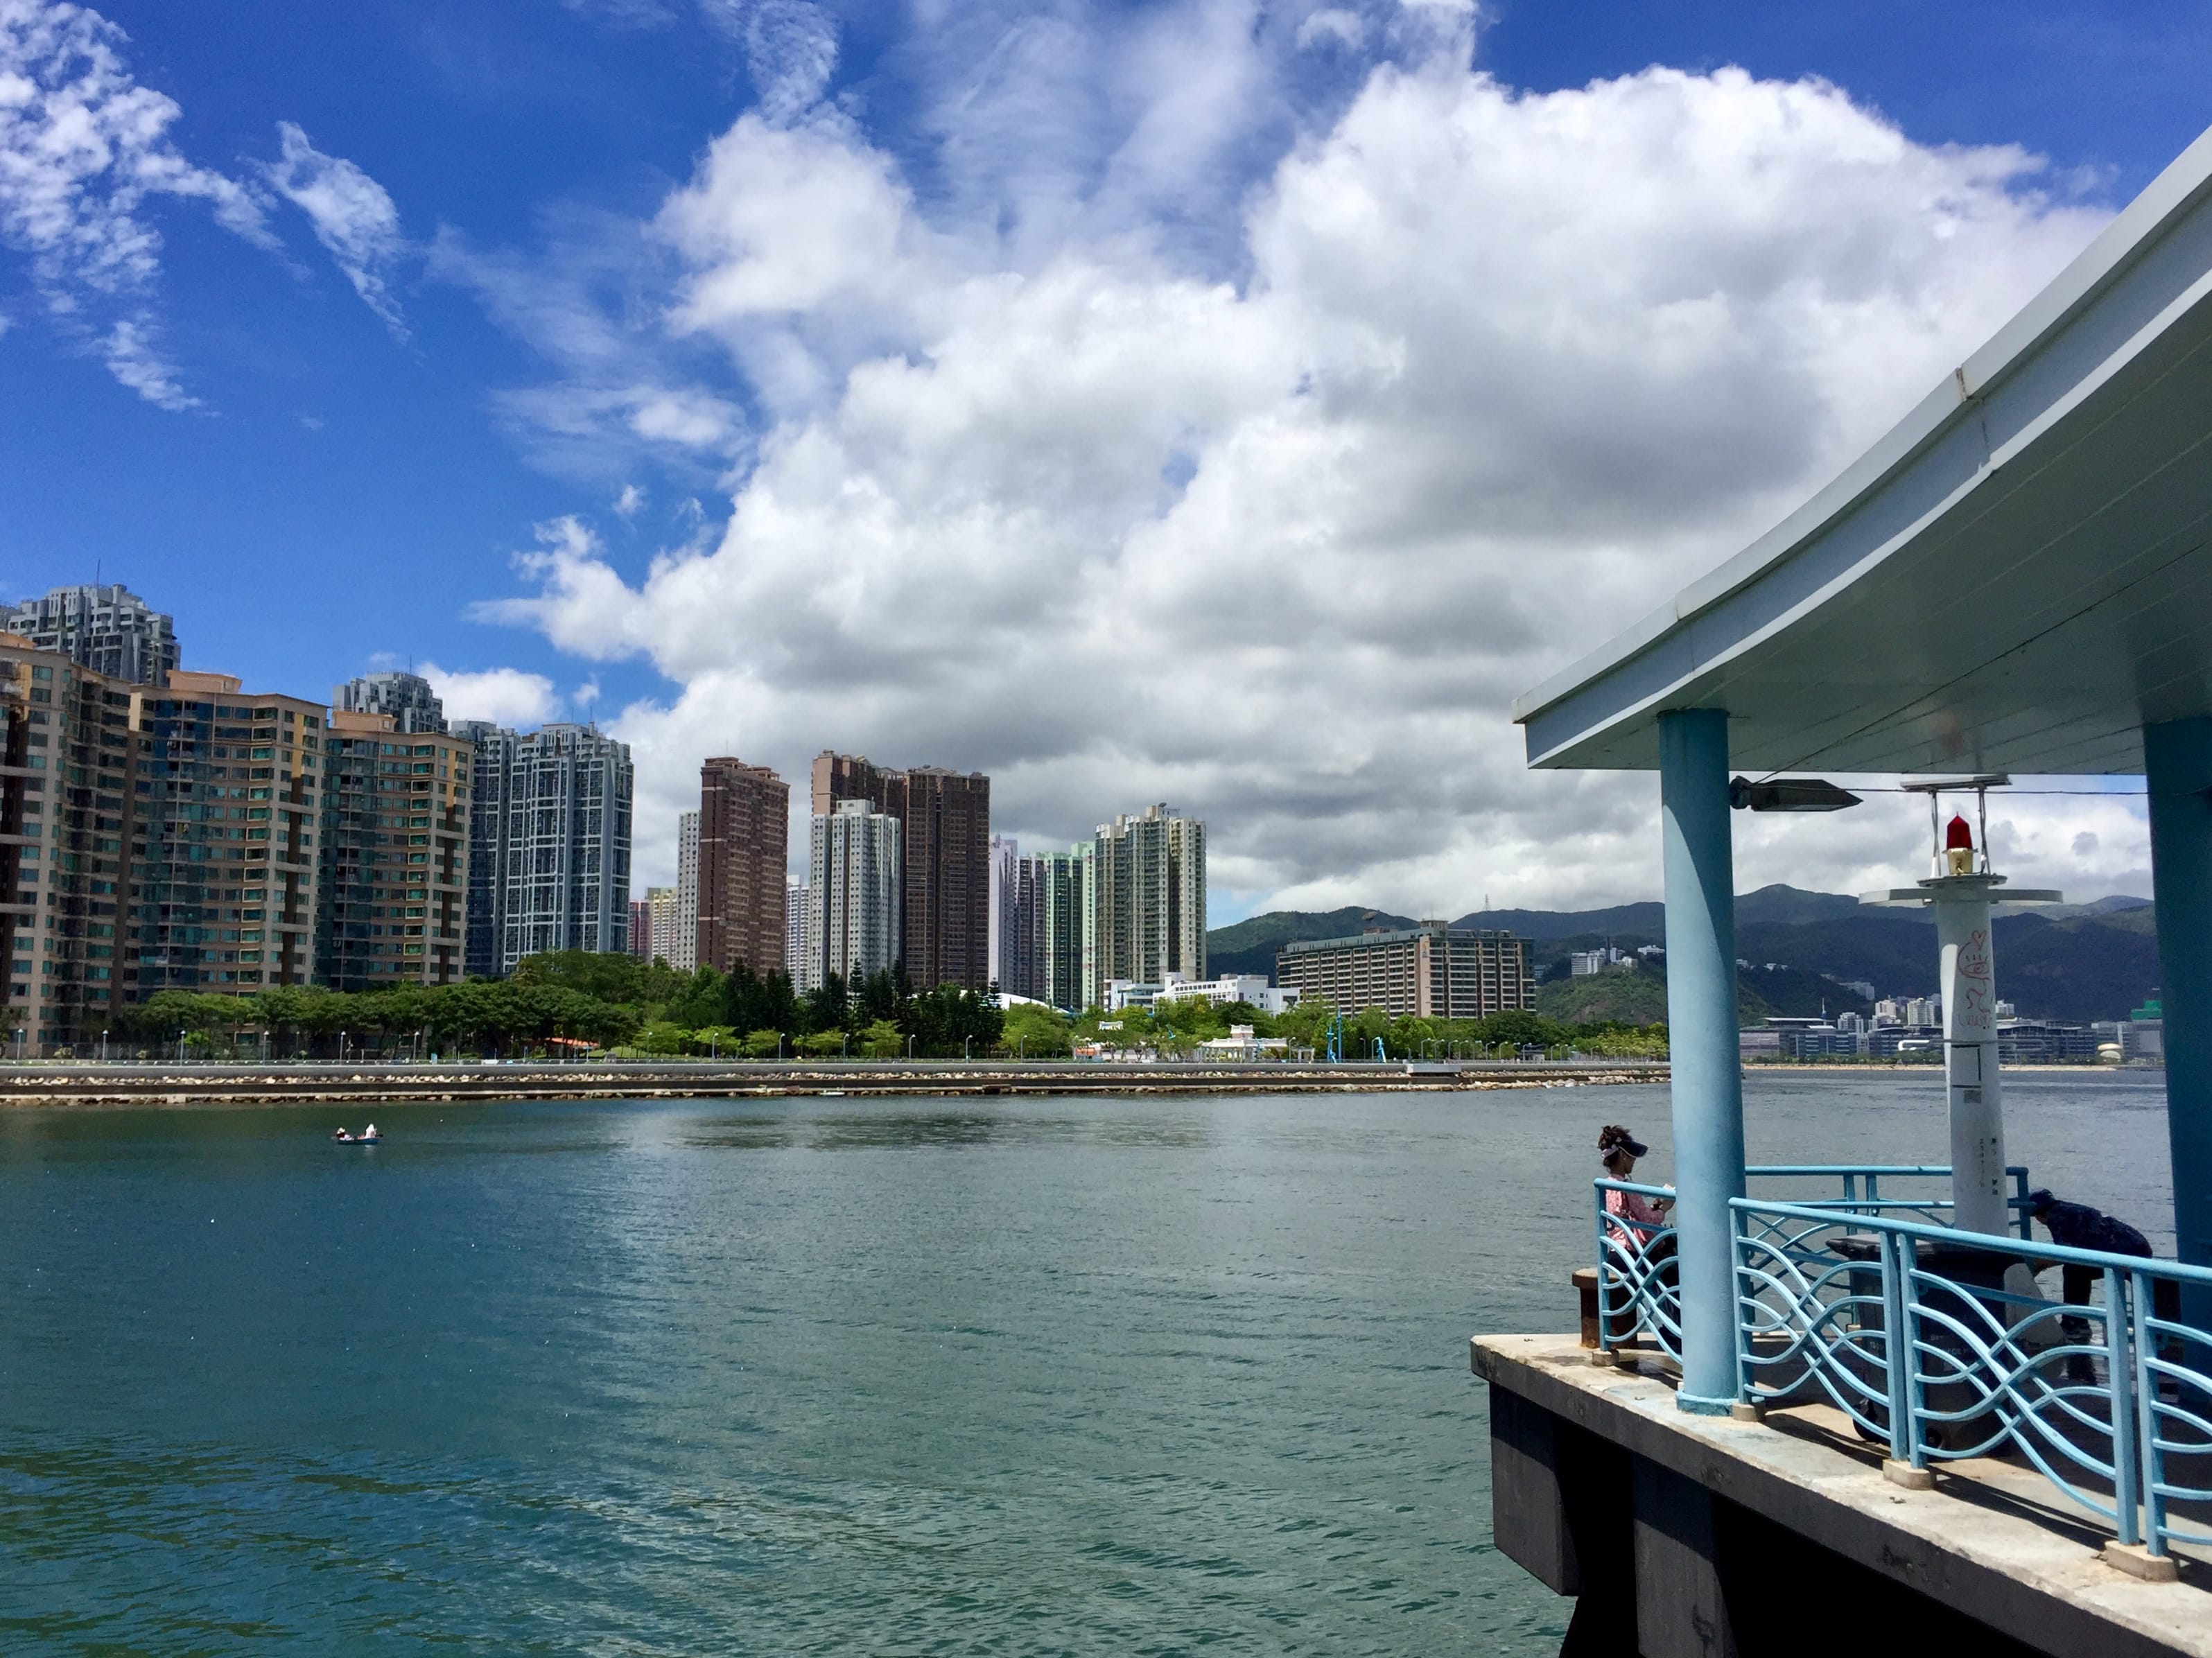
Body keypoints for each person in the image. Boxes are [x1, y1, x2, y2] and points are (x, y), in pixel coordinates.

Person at [2028, 1189, 2177, 1381]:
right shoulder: (2069, 1209)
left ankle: (2075, 1324)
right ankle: (2161, 1326)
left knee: (2075, 1271)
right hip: (2134, 1245)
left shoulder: (2056, 1216)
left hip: (2121, 1251)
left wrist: (2040, 1264)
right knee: (2082, 1271)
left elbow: (2066, 1251)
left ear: (2039, 1214)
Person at [1599, 1124, 1673, 1253]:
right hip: (1630, 1254)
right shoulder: (1627, 1188)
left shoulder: (1604, 1186)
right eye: (1632, 1156)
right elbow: (1649, 1220)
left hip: (1612, 1250)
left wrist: (1654, 1206)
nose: (1634, 1160)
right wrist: (1665, 1208)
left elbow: (1629, 1213)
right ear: (1623, 1155)